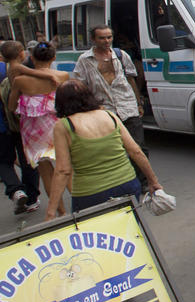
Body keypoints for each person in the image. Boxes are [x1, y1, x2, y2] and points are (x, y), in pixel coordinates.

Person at [44, 80, 163, 219]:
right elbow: (136, 151)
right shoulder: (109, 116)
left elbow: (63, 170)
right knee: (130, 231)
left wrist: (51, 211)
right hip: (127, 185)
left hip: (90, 194)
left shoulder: (63, 126)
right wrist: (153, 181)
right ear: (88, 96)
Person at [72, 25, 150, 187]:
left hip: (127, 106)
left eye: (109, 37)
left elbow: (131, 79)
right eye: (102, 38)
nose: (106, 41)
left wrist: (138, 102)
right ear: (93, 40)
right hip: (103, 111)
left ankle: (142, 182)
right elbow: (81, 86)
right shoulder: (85, 60)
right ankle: (120, 181)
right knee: (112, 149)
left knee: (138, 147)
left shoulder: (121, 56)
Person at [7, 42, 71, 216]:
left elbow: (11, 106)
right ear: (54, 57)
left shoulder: (20, 81)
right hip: (59, 126)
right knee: (67, 167)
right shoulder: (63, 76)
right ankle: (80, 204)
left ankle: (62, 212)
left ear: (32, 57)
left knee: (46, 173)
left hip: (33, 132)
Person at [0, 41, 43, 214]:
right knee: (28, 161)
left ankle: (16, 190)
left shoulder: (10, 68)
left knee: (3, 161)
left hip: (2, 127)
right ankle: (31, 199)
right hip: (21, 123)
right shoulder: (10, 69)